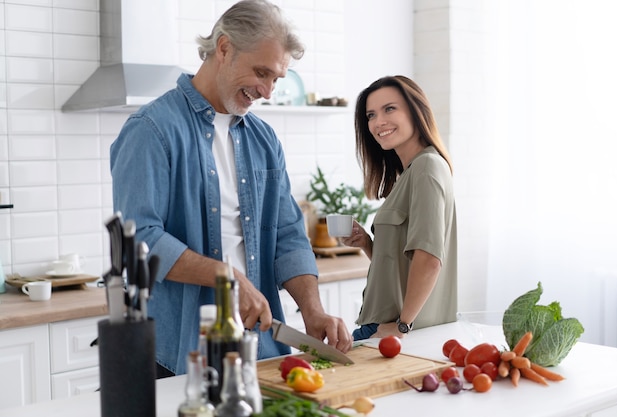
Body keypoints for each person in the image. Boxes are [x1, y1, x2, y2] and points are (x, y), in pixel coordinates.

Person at [110, 0, 352, 377]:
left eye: (277, 79)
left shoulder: (263, 138)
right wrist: (228, 278)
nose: (268, 91)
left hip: (261, 348)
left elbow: (288, 234)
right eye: (261, 72)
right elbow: (138, 241)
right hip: (181, 353)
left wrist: (312, 310)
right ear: (223, 48)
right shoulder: (152, 130)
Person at [343, 75, 458, 341]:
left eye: (389, 109)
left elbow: (429, 260)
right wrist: (368, 244)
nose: (378, 122)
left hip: (397, 331)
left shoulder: (427, 168)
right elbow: (404, 264)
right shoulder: (410, 173)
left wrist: (403, 325)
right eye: (371, 115)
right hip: (388, 328)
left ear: (416, 112)